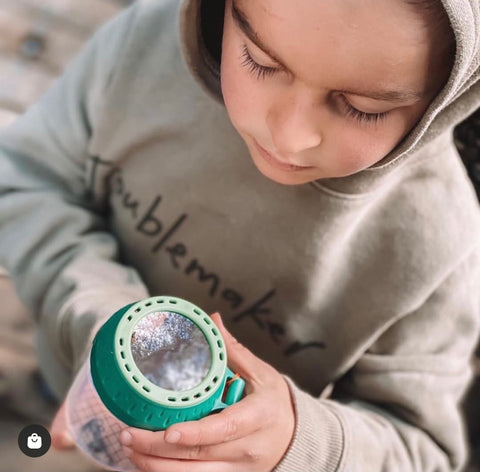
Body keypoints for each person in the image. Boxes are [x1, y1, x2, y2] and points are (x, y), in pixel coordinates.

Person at [0, 0, 479, 470]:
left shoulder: (442, 244)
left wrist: (301, 443)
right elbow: (26, 179)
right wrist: (94, 312)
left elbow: (422, 448)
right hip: (52, 372)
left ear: (447, 95)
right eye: (261, 61)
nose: (289, 137)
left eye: (362, 108)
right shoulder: (143, 46)